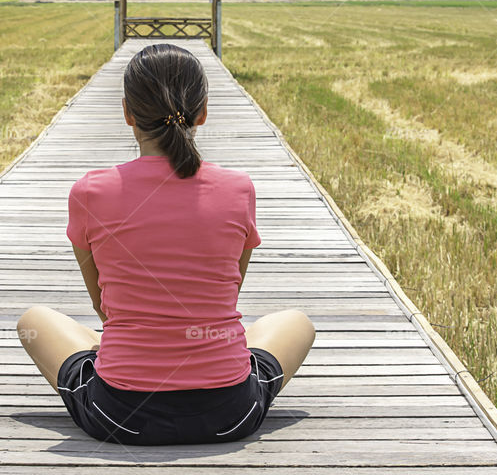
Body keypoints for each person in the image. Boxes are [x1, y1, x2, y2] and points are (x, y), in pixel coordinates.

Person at [17, 43, 315, 445]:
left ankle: (123, 352)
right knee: (297, 322)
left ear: (127, 113)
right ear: (203, 111)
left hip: (121, 415)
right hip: (229, 413)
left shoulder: (89, 192)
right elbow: (224, 293)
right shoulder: (238, 189)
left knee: (34, 321)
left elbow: (102, 307)